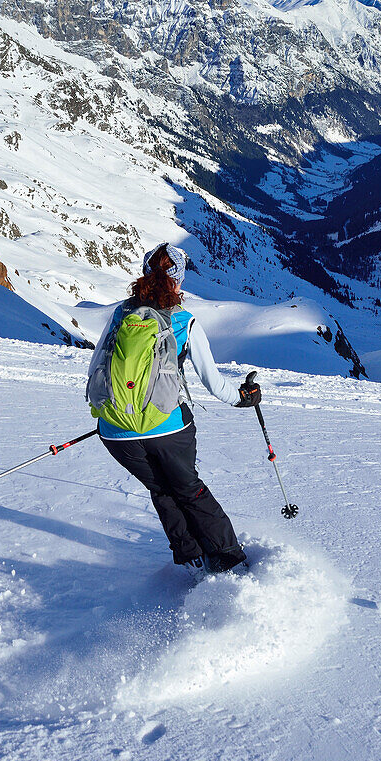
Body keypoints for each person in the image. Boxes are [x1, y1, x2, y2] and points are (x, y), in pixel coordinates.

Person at [90, 242, 261, 581]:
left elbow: (101, 365)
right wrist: (244, 397)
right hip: (167, 428)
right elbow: (214, 383)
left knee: (162, 490)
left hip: (114, 432)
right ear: (177, 280)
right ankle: (229, 562)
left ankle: (192, 560)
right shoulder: (183, 320)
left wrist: (120, 414)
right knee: (189, 490)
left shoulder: (121, 313)